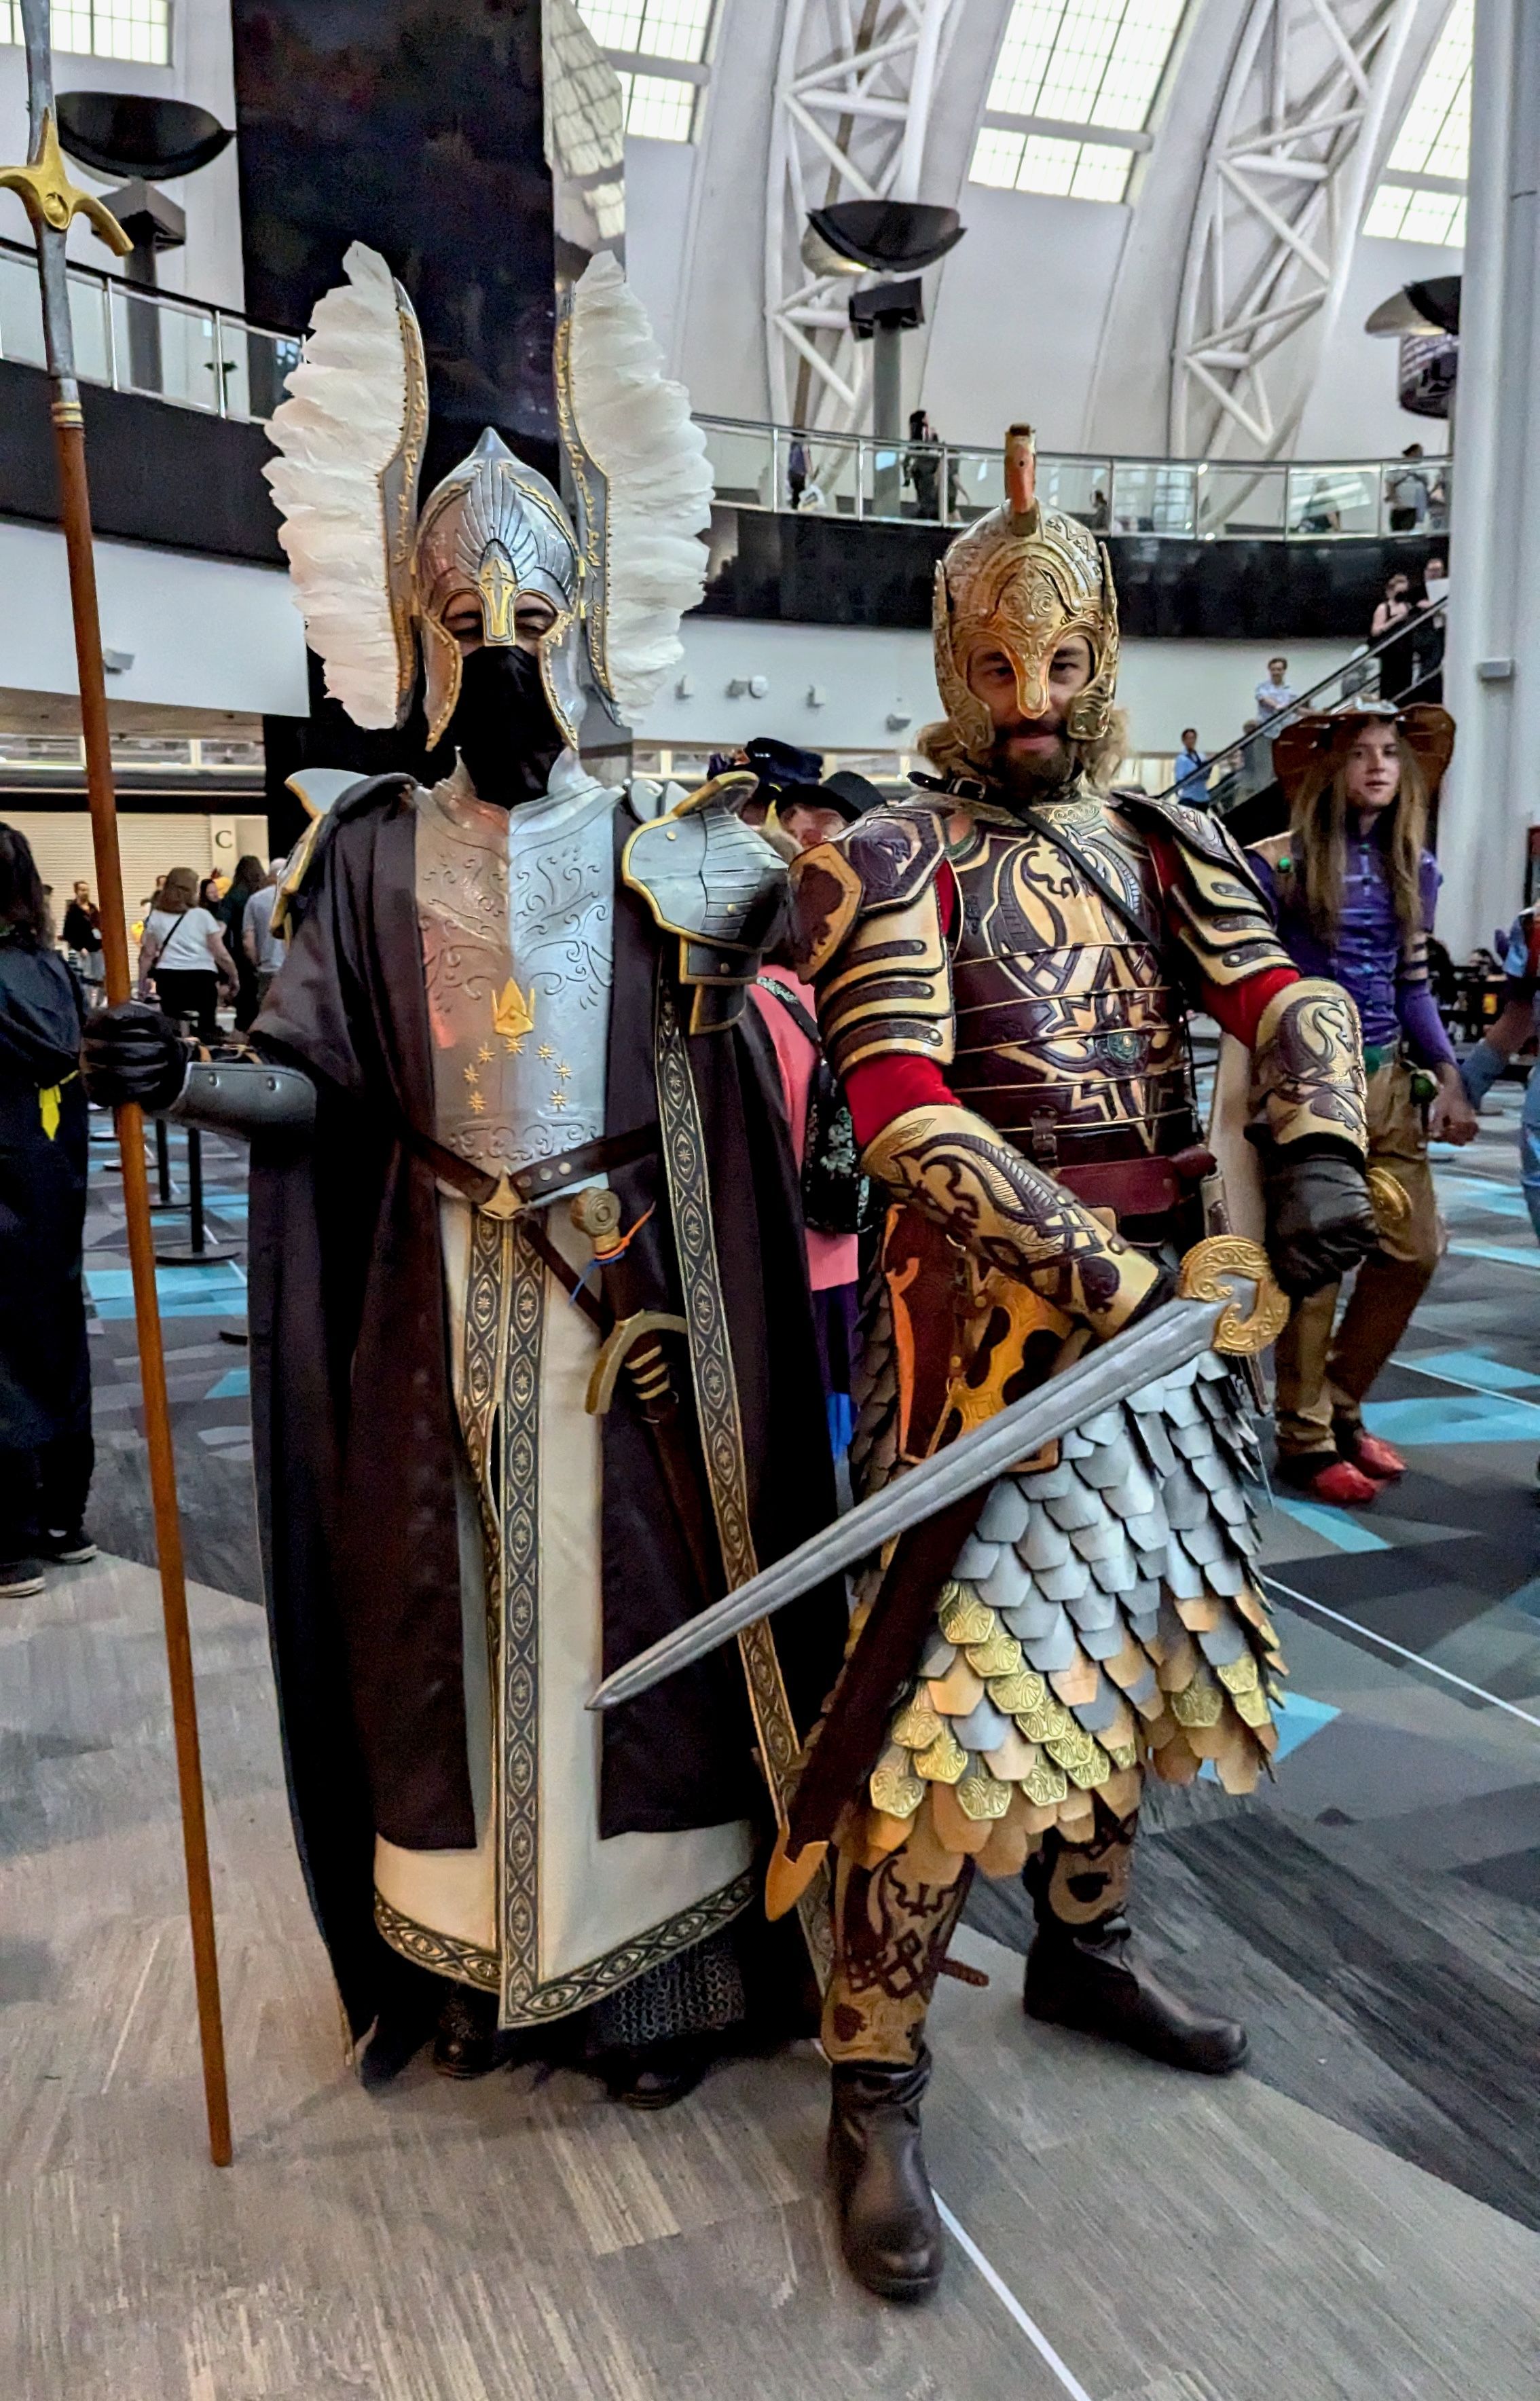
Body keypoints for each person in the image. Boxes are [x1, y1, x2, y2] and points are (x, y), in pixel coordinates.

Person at [85, 244, 843, 2103]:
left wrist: (693, 1252)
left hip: (621, 1313)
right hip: (426, 1309)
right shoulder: (357, 855)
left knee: (642, 1630)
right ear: (423, 631)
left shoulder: (679, 849)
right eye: (469, 619)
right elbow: (319, 1092)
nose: (501, 649)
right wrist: (179, 1077)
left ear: (572, 629)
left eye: (528, 619)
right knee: (435, 1625)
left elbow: (767, 1083)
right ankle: (466, 1963)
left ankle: (648, 1978)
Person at [786, 421, 1376, 2303]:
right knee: (941, 1718)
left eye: (1055, 665)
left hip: (1169, 1318)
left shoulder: (1158, 834)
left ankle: (1084, 1943)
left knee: (1129, 1649)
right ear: (946, 661)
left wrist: (1313, 1151)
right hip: (982, 1337)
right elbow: (895, 1115)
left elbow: (1288, 994)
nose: (1026, 701)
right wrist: (1108, 1283)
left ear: (1099, 654)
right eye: (991, 667)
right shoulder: (893, 854)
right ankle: (871, 2078)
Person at [1248, 704, 1475, 1505]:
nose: (1377, 766)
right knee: (1318, 1260)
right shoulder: (1277, 865)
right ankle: (1304, 1435)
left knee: (1411, 1250)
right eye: (1358, 754)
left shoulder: (1419, 865)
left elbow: (1412, 984)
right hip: (1309, 1080)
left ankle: (1341, 1404)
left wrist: (1450, 1074)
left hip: (1388, 1080)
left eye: (1389, 753)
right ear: (1326, 770)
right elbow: (1249, 985)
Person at [0, 826, 94, 1598]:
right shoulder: (53, 970)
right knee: (55, 1333)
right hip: (54, 1179)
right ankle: (64, 1516)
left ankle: (10, 1537)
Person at [136, 866, 238, 1041]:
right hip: (202, 979)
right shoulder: (202, 916)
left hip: (168, 979)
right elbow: (220, 953)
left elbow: (148, 954)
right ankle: (205, 1052)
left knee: (172, 1027)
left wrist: (142, 982)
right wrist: (233, 976)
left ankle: (176, 1055)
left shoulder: (156, 917)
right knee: (207, 1027)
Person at [219, 853, 270, 1029]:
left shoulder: (233, 896)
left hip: (241, 955)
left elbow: (222, 929)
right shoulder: (266, 895)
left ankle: (244, 1035)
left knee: (245, 999)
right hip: (267, 951)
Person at [242, 858, 287, 1010]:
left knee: (267, 1012)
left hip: (268, 967)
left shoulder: (255, 900)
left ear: (270, 876)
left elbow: (248, 942)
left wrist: (257, 963)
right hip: (293, 966)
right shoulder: (298, 898)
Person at [1370, 571, 1417, 702]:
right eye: (1399, 593)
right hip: (1390, 653)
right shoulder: (1384, 608)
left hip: (1406, 652)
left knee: (1405, 684)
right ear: (1390, 592)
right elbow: (1376, 630)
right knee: (1389, 685)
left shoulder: (1407, 607)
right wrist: (1394, 620)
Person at [61, 879, 103, 1000]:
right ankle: (87, 1003)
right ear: (77, 892)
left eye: (87, 890)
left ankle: (99, 1002)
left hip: (97, 947)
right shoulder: (73, 911)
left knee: (99, 977)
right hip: (83, 950)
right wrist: (79, 947)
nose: (85, 893)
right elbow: (68, 933)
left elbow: (101, 925)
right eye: (82, 890)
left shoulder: (93, 908)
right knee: (86, 977)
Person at [1414, 555, 1448, 703]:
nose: (1434, 573)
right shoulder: (1418, 590)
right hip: (1424, 634)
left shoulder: (1447, 588)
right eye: (1432, 570)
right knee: (1427, 665)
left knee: (1436, 665)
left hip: (1440, 631)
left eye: (1438, 570)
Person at [1385, 443, 1429, 532]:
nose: (1421, 456)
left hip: (1417, 508)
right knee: (1400, 533)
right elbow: (1390, 484)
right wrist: (1396, 502)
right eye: (1419, 453)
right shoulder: (1397, 467)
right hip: (1401, 507)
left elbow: (1426, 487)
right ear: (1412, 453)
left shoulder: (1422, 470)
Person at [904, 409, 940, 520]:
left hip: (918, 466)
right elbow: (931, 448)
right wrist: (934, 437)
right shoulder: (926, 431)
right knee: (929, 493)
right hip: (927, 466)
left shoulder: (914, 433)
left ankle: (923, 513)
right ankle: (929, 515)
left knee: (921, 492)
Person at [1255, 655, 1298, 720]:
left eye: (1279, 670)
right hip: (1268, 727)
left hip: (1285, 726)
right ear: (1269, 671)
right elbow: (1264, 698)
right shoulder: (1262, 686)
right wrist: (1278, 706)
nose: (1276, 672)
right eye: (1273, 670)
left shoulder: (1290, 689)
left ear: (1284, 671)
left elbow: (1295, 708)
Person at [1174, 728, 1211, 802]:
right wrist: (1194, 775)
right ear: (1184, 741)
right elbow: (1179, 780)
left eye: (1193, 738)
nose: (1191, 741)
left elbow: (1206, 777)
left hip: (1203, 797)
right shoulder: (1181, 759)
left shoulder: (1201, 756)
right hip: (1189, 797)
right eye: (1189, 738)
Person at [787, 433, 809, 511]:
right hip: (800, 474)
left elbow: (791, 460)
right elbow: (807, 461)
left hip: (793, 473)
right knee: (799, 492)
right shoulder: (804, 446)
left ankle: (795, 506)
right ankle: (798, 507)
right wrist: (811, 473)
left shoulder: (793, 445)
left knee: (796, 492)